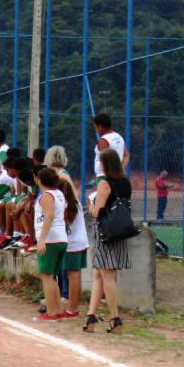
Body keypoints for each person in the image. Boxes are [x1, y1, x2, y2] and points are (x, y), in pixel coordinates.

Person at [85, 149, 132, 335]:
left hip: (105, 231)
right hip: (120, 229)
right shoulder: (126, 182)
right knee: (99, 273)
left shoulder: (105, 183)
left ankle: (115, 318)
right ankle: (90, 316)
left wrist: (90, 206)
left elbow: (97, 211)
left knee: (107, 275)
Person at [35, 167, 72, 321]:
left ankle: (51, 312)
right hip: (60, 238)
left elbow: (49, 216)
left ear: (39, 180)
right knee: (52, 277)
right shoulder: (59, 194)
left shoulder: (47, 195)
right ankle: (57, 310)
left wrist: (42, 239)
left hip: (51, 239)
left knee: (46, 276)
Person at [61, 179, 89, 318]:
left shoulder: (64, 205)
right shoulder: (75, 202)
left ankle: (72, 309)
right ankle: (74, 307)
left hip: (72, 244)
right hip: (81, 243)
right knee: (76, 275)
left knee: (73, 276)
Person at [92, 112, 129, 177]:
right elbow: (126, 155)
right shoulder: (118, 136)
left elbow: (105, 160)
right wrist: (121, 169)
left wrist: (105, 178)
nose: (95, 130)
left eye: (95, 127)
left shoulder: (103, 140)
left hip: (104, 176)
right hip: (117, 175)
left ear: (100, 126)